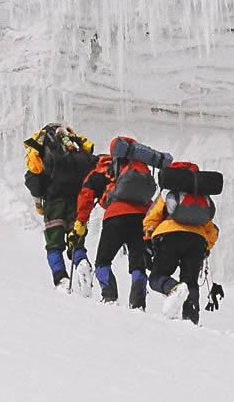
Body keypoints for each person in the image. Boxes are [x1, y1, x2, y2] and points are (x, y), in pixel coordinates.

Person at [74, 136, 172, 309]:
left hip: (115, 216)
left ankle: (109, 296)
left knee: (103, 260)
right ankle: (138, 303)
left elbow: (86, 195)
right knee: (138, 263)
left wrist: (81, 222)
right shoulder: (142, 168)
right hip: (141, 218)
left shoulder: (105, 168)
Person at [142, 161, 221, 324]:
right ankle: (191, 318)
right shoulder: (201, 195)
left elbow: (152, 218)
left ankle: (173, 288)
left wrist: (148, 238)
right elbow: (212, 230)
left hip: (170, 236)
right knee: (190, 281)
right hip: (197, 240)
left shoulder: (168, 192)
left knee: (157, 276)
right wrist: (206, 248)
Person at [23, 122, 98, 287]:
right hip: (77, 201)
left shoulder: (43, 147)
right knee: (76, 240)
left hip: (54, 202)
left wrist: (39, 201)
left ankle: (61, 278)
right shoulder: (75, 146)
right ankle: (81, 262)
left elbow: (35, 179)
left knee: (54, 245)